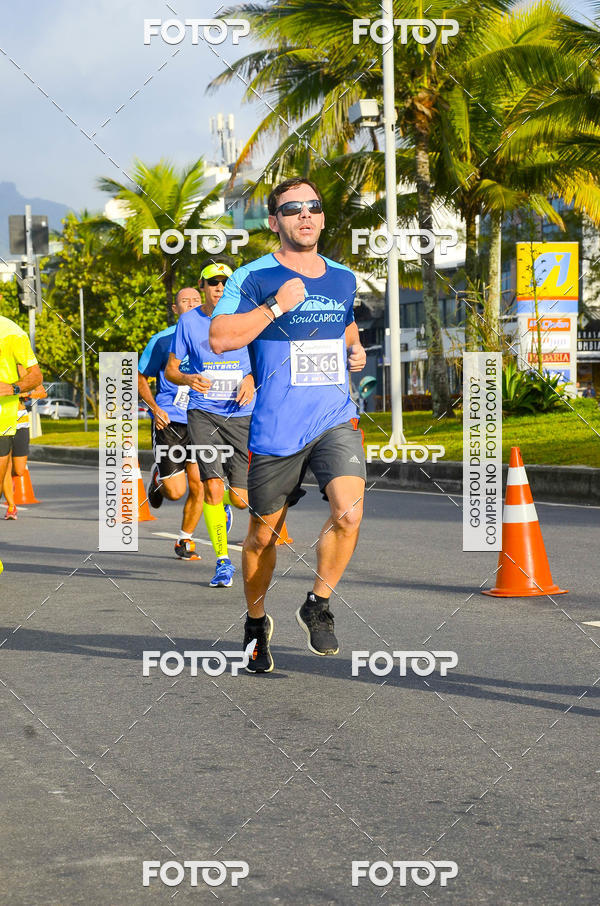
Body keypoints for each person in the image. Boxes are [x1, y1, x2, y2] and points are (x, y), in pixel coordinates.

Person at [209, 176, 367, 673]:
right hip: (277, 428)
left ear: (322, 217)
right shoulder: (253, 277)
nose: (305, 215)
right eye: (292, 209)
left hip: (334, 417)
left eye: (313, 207)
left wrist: (354, 346)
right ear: (275, 221)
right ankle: (256, 621)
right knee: (262, 538)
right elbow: (220, 338)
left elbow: (342, 320)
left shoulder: (343, 277)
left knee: (349, 513)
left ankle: (317, 603)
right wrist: (277, 305)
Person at [165, 261, 255, 588]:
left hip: (240, 412)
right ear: (202, 286)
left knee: (241, 499)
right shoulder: (188, 322)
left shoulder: (247, 315)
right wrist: (187, 378)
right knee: (212, 488)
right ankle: (223, 561)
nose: (218, 287)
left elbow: (266, 359)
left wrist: (251, 379)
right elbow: (171, 370)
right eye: (212, 282)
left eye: (224, 282)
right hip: (203, 412)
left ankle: (222, 510)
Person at [138, 288, 208, 560]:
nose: (190, 305)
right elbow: (141, 378)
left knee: (199, 484)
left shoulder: (213, 336)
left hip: (201, 418)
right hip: (170, 420)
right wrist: (154, 409)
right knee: (176, 492)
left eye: (195, 300)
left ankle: (185, 540)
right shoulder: (161, 340)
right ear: (175, 308)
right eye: (184, 302)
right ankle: (158, 479)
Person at [0, 315, 44, 573]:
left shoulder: (12, 333)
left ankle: (12, 503)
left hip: (5, 420)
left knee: (16, 471)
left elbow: (36, 377)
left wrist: (15, 389)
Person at [2, 365, 47, 519]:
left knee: (19, 470)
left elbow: (42, 392)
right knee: (5, 464)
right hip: (3, 420)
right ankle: (11, 506)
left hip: (20, 419)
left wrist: (23, 392)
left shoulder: (23, 369)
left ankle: (7, 482)